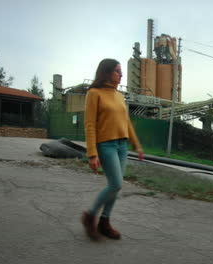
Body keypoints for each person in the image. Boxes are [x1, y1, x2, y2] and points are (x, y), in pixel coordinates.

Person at [82, 58, 143, 240]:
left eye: (121, 71)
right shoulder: (94, 93)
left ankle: (104, 222)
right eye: (117, 71)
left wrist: (136, 144)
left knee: (116, 187)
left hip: (121, 146)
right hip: (106, 145)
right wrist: (92, 154)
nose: (121, 74)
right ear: (107, 72)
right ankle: (90, 216)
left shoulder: (118, 95)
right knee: (115, 184)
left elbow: (126, 122)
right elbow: (90, 125)